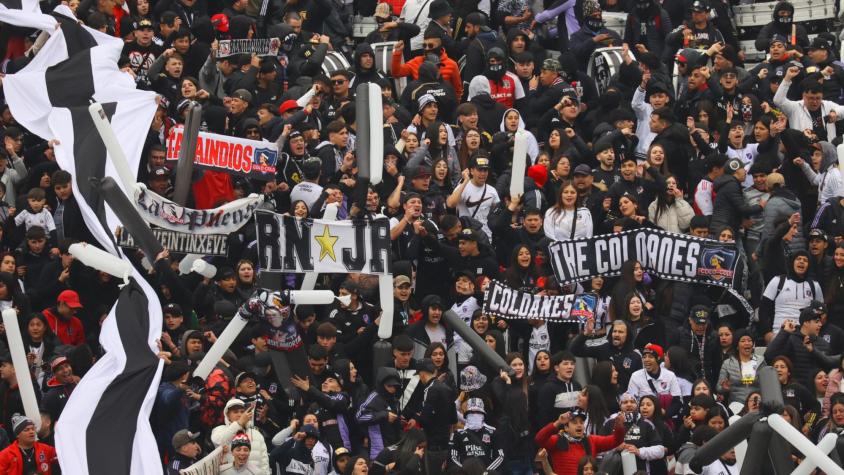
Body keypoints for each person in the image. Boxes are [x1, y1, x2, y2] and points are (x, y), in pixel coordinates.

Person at [535, 409, 626, 475]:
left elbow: (616, 440)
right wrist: (558, 422)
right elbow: (539, 439)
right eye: (574, 422)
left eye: (581, 422)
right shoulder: (557, 440)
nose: (579, 425)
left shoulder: (591, 440)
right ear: (566, 427)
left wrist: (619, 427)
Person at [448, 398, 504, 471]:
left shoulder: (493, 433)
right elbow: (452, 457)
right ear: (466, 416)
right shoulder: (458, 434)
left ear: (483, 416)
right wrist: (463, 472)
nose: (474, 415)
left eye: (478, 412)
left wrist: (487, 472)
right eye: (471, 413)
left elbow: (500, 456)